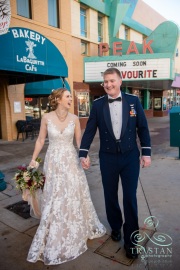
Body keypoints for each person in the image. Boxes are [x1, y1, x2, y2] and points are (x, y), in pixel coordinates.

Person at [27, 88, 106, 265]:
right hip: (53, 161)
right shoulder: (46, 117)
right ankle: (56, 228)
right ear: (58, 99)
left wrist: (84, 156)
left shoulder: (75, 119)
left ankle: (75, 226)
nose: (71, 99)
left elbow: (79, 142)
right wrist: (33, 159)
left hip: (70, 161)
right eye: (68, 96)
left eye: (71, 96)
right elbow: (40, 140)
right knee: (55, 195)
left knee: (72, 194)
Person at [79, 68, 151, 259]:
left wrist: (146, 153)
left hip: (129, 157)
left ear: (120, 81)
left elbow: (142, 128)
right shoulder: (97, 105)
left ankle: (131, 241)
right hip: (108, 158)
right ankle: (115, 226)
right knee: (110, 195)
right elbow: (89, 130)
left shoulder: (133, 101)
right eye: (105, 82)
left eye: (112, 81)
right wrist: (83, 153)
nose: (108, 84)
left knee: (130, 198)